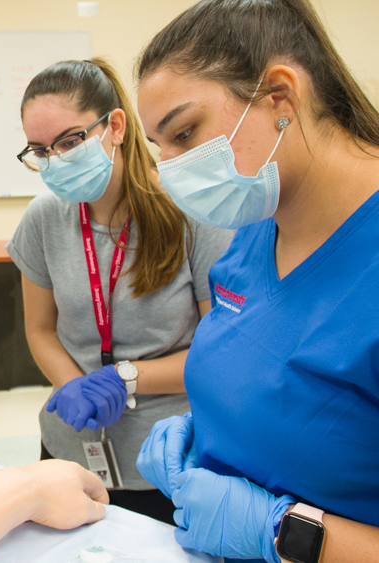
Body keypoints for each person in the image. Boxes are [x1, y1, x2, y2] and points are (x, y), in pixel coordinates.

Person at [133, 0, 379, 561]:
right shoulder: (256, 225)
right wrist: (209, 430)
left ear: (280, 97)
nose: (168, 170)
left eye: (185, 134)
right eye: (159, 149)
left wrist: (286, 530)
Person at [7, 58, 233, 525]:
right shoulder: (45, 218)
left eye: (70, 141)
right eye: (40, 151)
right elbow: (40, 329)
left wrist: (126, 377)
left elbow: (220, 349)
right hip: (71, 449)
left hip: (167, 460)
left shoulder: (191, 213)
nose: (57, 161)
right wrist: (73, 386)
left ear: (115, 126)